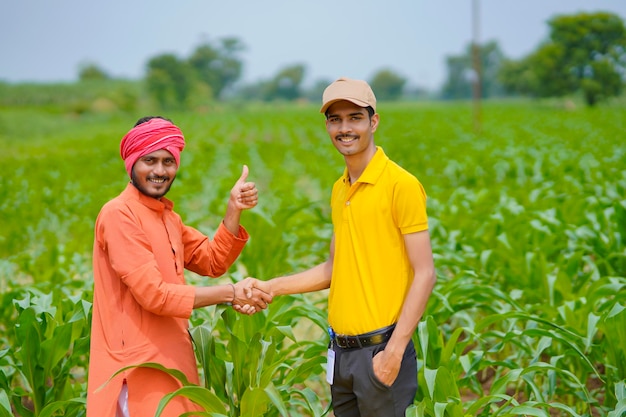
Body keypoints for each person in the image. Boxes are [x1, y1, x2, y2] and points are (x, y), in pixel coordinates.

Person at [241, 77, 437, 417]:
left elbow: (425, 273)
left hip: (381, 351)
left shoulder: (400, 185)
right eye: (335, 119)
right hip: (342, 354)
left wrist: (394, 352)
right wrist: (271, 287)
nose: (344, 128)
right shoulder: (339, 189)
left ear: (373, 121)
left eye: (354, 118)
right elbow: (335, 268)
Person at [86, 116, 272, 417]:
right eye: (150, 160)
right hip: (137, 370)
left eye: (168, 161)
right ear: (132, 162)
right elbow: (155, 296)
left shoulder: (167, 217)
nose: (160, 171)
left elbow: (212, 260)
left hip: (174, 363)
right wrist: (231, 293)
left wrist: (233, 210)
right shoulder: (119, 214)